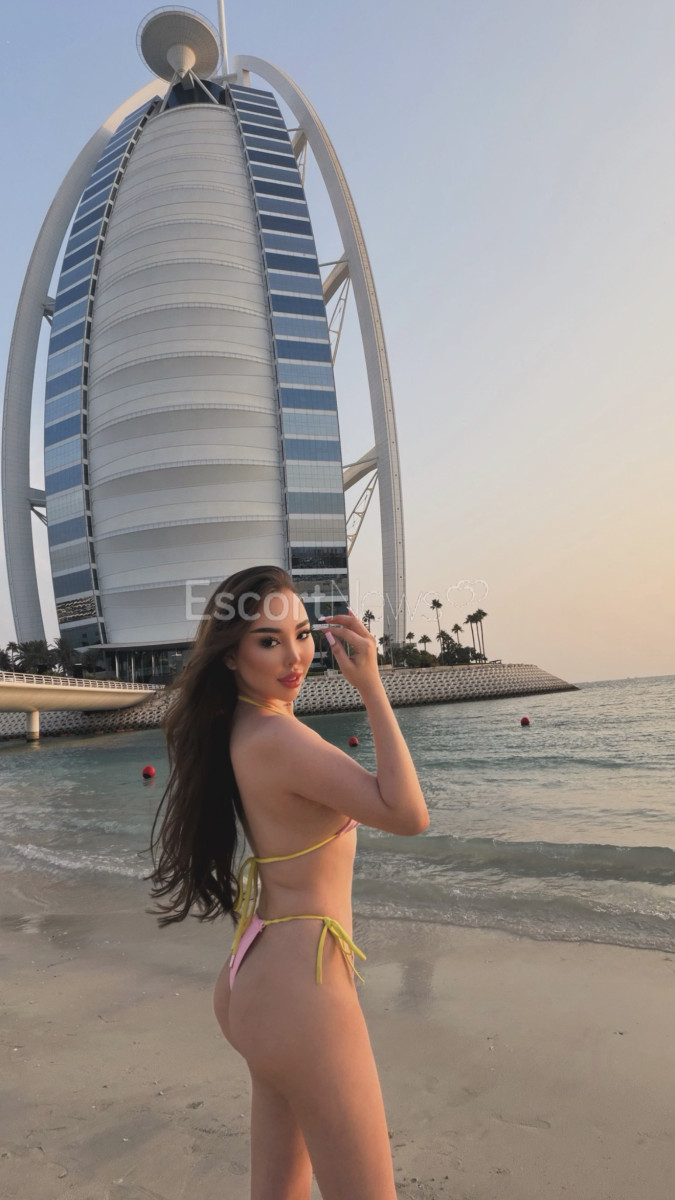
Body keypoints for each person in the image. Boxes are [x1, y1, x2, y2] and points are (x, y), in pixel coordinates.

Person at [148, 565, 428, 1199]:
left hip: (261, 974)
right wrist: (372, 687)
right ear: (231, 655)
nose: (295, 656)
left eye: (301, 634)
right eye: (268, 641)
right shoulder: (278, 737)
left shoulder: (244, 728)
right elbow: (409, 814)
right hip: (301, 992)